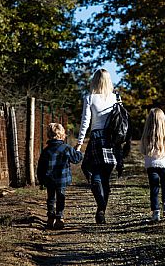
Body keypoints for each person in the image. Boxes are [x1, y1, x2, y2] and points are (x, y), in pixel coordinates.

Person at [75, 69, 124, 224]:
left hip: (96, 138)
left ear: (95, 80)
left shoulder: (90, 97)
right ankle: (101, 209)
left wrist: (80, 142)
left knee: (94, 173)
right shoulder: (116, 97)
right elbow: (122, 120)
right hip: (111, 139)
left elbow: (85, 122)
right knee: (106, 177)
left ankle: (101, 206)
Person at [37, 123, 83, 229]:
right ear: (62, 135)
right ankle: (59, 217)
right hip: (62, 179)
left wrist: (41, 179)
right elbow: (76, 159)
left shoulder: (46, 150)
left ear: (49, 135)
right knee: (60, 198)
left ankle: (50, 218)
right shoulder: (66, 148)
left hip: (49, 179)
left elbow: (40, 166)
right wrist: (78, 150)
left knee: (51, 198)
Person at [140, 108, 165, 222]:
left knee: (154, 188)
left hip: (151, 165)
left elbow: (142, 150)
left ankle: (155, 211)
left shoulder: (146, 134)